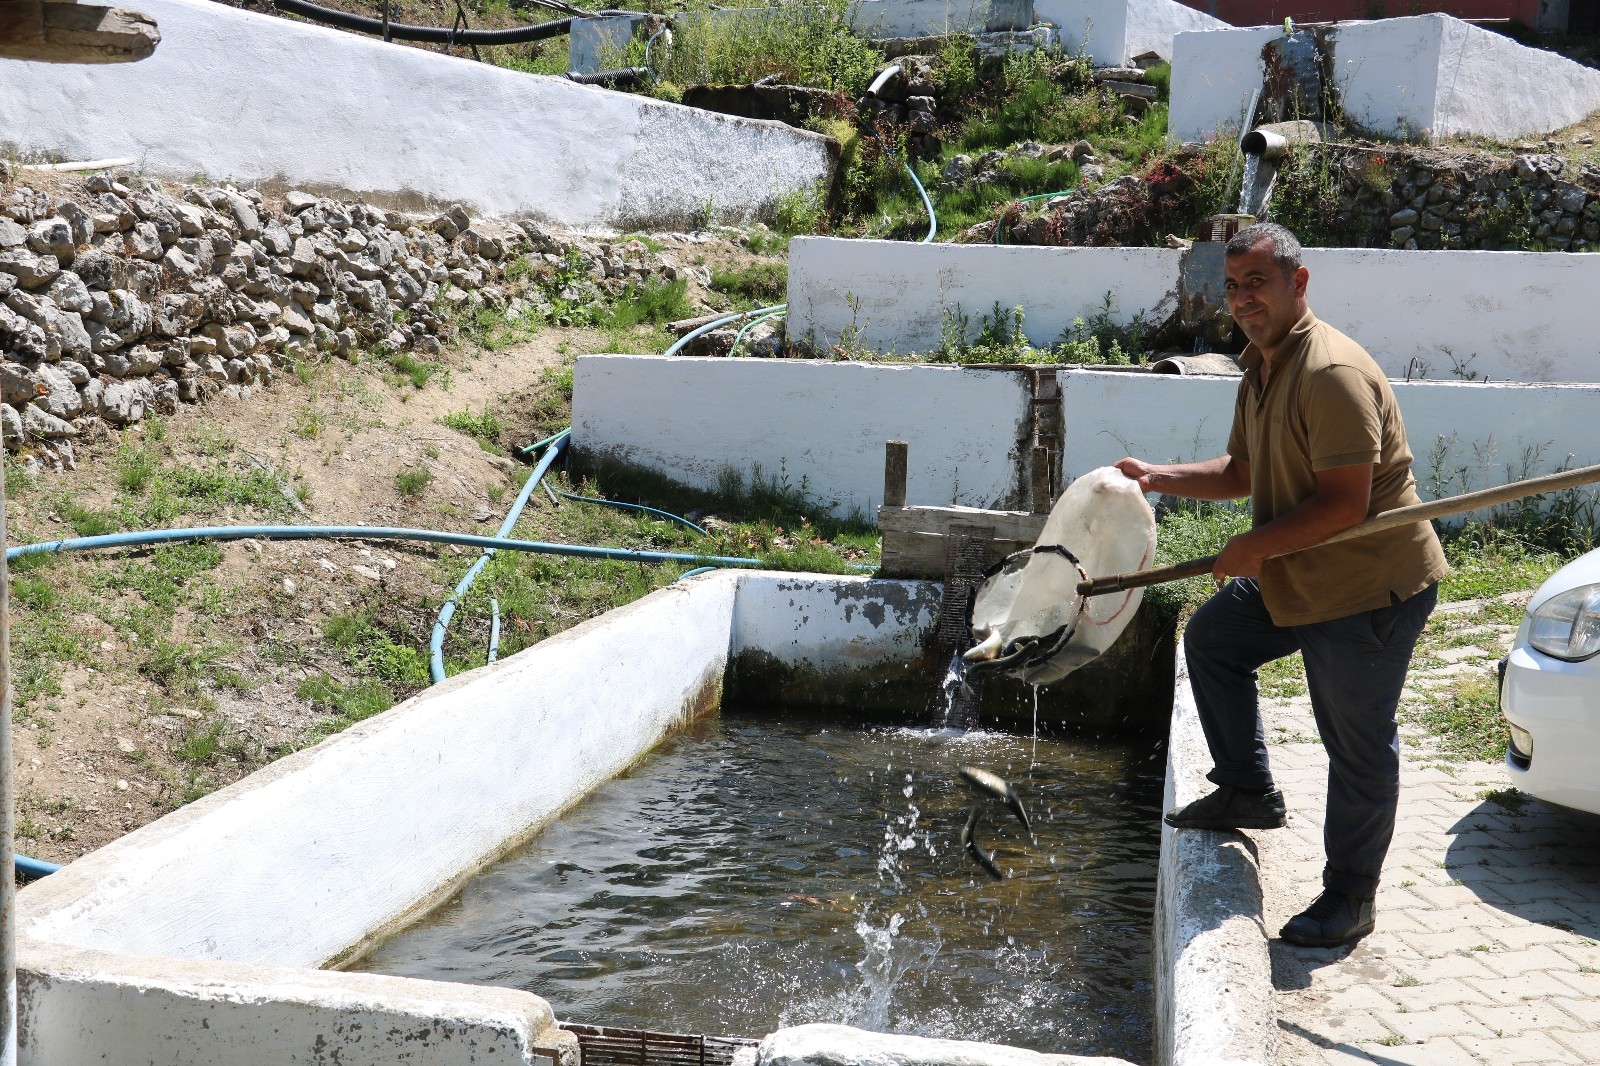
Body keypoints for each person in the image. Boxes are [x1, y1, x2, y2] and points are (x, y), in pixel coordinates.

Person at [1115, 223, 1447, 948]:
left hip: (1367, 586)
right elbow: (1242, 472)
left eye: (1256, 283)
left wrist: (1250, 548)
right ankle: (1246, 789)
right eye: (1232, 286)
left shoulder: (1329, 373)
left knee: (1355, 745)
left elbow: (1343, 506)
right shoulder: (1261, 366)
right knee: (1213, 639)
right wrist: (1156, 476)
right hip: (1300, 569)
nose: (1241, 299)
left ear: (1298, 283)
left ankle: (1350, 898)